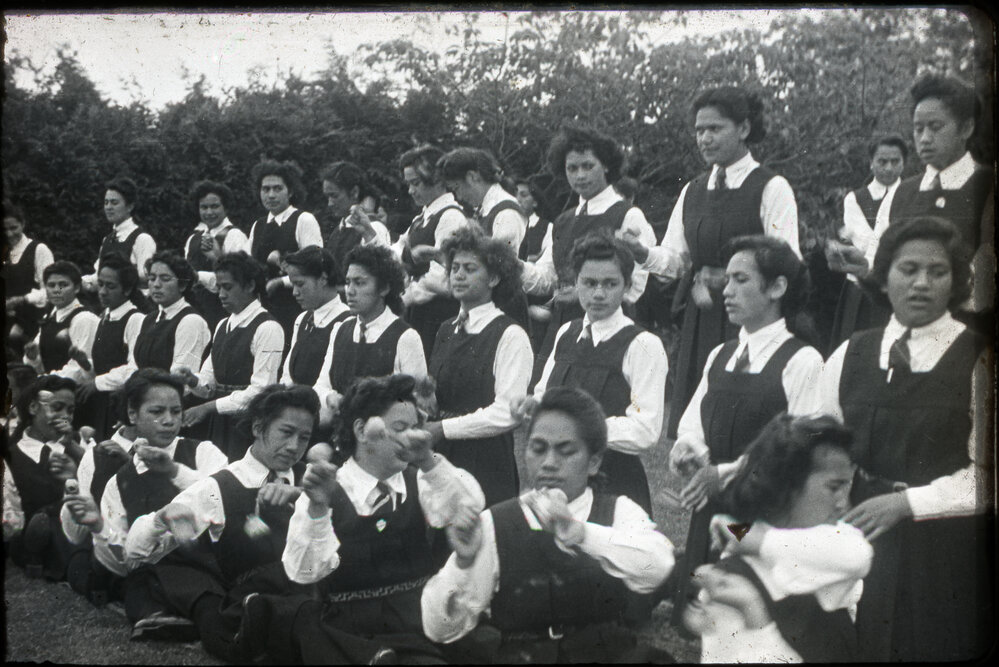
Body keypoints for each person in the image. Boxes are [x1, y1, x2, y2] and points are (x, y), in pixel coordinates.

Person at [819, 216, 993, 662]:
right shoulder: (850, 352)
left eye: (937, 273)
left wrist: (906, 503)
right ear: (884, 275)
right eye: (908, 269)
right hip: (857, 535)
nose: (921, 284)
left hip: (942, 549)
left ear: (955, 282)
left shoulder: (979, 360)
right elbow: (814, 449)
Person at [422, 386, 675, 663]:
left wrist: (582, 533)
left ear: (594, 462)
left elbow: (659, 566)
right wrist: (463, 563)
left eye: (566, 452)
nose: (549, 464)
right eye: (538, 449)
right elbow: (439, 628)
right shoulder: (495, 522)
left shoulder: (617, 511)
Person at [242, 375, 484, 664]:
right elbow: (303, 571)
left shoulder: (422, 478)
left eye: (416, 428)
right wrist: (319, 508)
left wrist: (429, 462)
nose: (413, 437)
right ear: (361, 430)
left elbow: (469, 507)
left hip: (421, 618)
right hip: (352, 629)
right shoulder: (326, 489)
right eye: (400, 428)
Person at [620, 87, 800, 439]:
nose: (704, 138)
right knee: (699, 428)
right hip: (701, 319)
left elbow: (787, 260)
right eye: (699, 130)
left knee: (746, 425)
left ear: (744, 129)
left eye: (715, 129)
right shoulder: (692, 190)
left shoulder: (771, 187)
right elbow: (675, 259)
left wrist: (728, 277)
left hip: (751, 320)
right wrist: (643, 253)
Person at [668, 235, 822, 622]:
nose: (727, 290)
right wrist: (690, 451)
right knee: (702, 615)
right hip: (713, 509)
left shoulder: (802, 360)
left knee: (748, 613)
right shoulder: (721, 354)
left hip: (762, 513)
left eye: (740, 280)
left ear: (777, 288)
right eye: (727, 280)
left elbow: (799, 450)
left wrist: (720, 473)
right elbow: (692, 424)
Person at [124, 384, 319, 662]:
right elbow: (136, 552)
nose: (294, 447)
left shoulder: (309, 479)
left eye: (304, 438)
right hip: (253, 599)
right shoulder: (218, 486)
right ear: (258, 427)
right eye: (286, 433)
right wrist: (161, 518)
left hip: (312, 587)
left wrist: (306, 495)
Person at [684, 413, 873, 663]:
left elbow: (859, 554)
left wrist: (759, 540)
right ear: (786, 487)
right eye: (834, 488)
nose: (843, 504)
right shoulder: (729, 580)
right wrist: (754, 611)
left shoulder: (834, 542)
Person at [61, 368, 228, 639]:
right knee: (142, 579)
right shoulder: (117, 480)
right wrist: (97, 526)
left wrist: (174, 471)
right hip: (147, 573)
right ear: (132, 414)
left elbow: (223, 500)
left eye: (176, 411)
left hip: (209, 566)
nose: (169, 421)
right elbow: (124, 559)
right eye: (157, 412)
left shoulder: (203, 452)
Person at [526, 232, 667, 514]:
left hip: (614, 484)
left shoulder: (643, 345)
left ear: (627, 286)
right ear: (576, 282)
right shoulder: (567, 333)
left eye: (610, 284)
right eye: (589, 283)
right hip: (559, 480)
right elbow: (544, 396)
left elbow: (645, 429)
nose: (599, 293)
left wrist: (578, 432)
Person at [520, 125, 657, 379]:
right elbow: (547, 277)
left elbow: (636, 285)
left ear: (606, 165)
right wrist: (513, 265)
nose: (580, 175)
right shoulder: (562, 221)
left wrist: (584, 293)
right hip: (562, 328)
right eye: (572, 168)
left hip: (607, 329)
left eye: (587, 166)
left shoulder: (627, 214)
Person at [871, 74, 994, 328]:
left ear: (966, 128)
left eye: (935, 127)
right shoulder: (900, 193)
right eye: (918, 129)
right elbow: (880, 265)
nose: (924, 138)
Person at [424, 227, 533, 506]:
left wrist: (443, 428)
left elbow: (507, 414)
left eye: (470, 268)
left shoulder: (510, 335)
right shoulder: (446, 329)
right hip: (441, 455)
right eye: (455, 267)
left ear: (494, 278)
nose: (458, 275)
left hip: (486, 460)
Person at [179, 252, 285, 461]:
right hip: (218, 425)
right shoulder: (222, 326)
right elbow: (208, 385)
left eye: (228, 287)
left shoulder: (268, 328)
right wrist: (192, 380)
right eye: (218, 287)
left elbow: (261, 391)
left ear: (250, 286)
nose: (221, 294)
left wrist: (209, 407)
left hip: (246, 427)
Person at [313, 245, 427, 430]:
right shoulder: (341, 329)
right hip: (339, 435)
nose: (349, 290)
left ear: (383, 288)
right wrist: (329, 397)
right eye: (348, 282)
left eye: (359, 283)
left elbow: (417, 404)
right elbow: (320, 385)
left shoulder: (405, 337)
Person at [4, 375, 92, 581]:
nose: (65, 416)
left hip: (79, 519)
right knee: (46, 524)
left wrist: (73, 447)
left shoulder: (77, 444)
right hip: (39, 524)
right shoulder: (13, 453)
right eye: (57, 408)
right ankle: (37, 552)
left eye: (70, 411)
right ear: (34, 408)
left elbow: (99, 479)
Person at [825, 136, 907, 352]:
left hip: (898, 287)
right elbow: (863, 241)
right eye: (882, 161)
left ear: (903, 163)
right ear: (871, 162)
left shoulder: (911, 195)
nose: (889, 168)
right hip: (861, 289)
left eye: (895, 161)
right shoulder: (855, 199)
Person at [438, 147, 532, 333]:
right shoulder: (485, 210)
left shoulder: (506, 212)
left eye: (457, 188)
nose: (458, 196)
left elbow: (500, 266)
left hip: (503, 306)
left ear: (473, 177)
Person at [396, 145, 468, 358]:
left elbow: (441, 277)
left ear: (436, 179)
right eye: (408, 184)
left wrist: (404, 298)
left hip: (439, 316)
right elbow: (397, 251)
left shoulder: (451, 217)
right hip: (417, 313)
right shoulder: (421, 218)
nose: (410, 191)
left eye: (415, 183)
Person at [247, 159, 323, 344]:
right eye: (266, 189)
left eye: (277, 188)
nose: (271, 195)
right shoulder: (258, 226)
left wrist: (281, 282)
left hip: (296, 309)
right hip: (264, 310)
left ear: (290, 191)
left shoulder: (303, 220)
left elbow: (316, 267)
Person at [74, 253, 147, 440]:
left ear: (128, 289)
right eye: (101, 284)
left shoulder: (135, 319)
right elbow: (103, 366)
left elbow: (134, 368)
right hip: (101, 404)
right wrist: (85, 364)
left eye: (111, 286)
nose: (103, 291)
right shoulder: (105, 316)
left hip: (120, 406)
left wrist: (97, 383)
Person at [278, 246, 353, 387]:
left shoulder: (347, 323)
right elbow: (287, 377)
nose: (294, 292)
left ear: (323, 279)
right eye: (293, 285)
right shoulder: (302, 319)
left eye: (300, 284)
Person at [183, 180, 250, 330]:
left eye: (215, 206)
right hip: (194, 308)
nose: (209, 212)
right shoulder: (193, 238)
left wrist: (216, 258)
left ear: (225, 207)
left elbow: (239, 277)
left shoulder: (234, 235)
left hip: (221, 309)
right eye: (204, 207)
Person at [23, 260, 100, 384]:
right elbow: (40, 365)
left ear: (76, 288)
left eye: (63, 285)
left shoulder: (84, 319)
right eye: (51, 285)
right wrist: (33, 358)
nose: (56, 290)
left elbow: (79, 372)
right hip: (50, 386)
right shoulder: (50, 317)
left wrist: (42, 381)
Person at [82, 176, 156, 293]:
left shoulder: (142, 239)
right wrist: (72, 283)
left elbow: (147, 281)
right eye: (106, 203)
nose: (108, 207)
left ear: (130, 206)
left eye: (114, 203)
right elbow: (97, 278)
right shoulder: (107, 240)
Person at [3, 199, 54, 357]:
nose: (9, 234)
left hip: (31, 323)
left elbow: (52, 291)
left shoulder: (39, 250)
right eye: (4, 229)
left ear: (23, 224)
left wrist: (22, 299)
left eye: (13, 228)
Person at [320, 161, 392, 271]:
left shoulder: (374, 228)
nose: (329, 203)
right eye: (327, 197)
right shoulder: (338, 230)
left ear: (354, 192)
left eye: (334, 196)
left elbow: (382, 272)